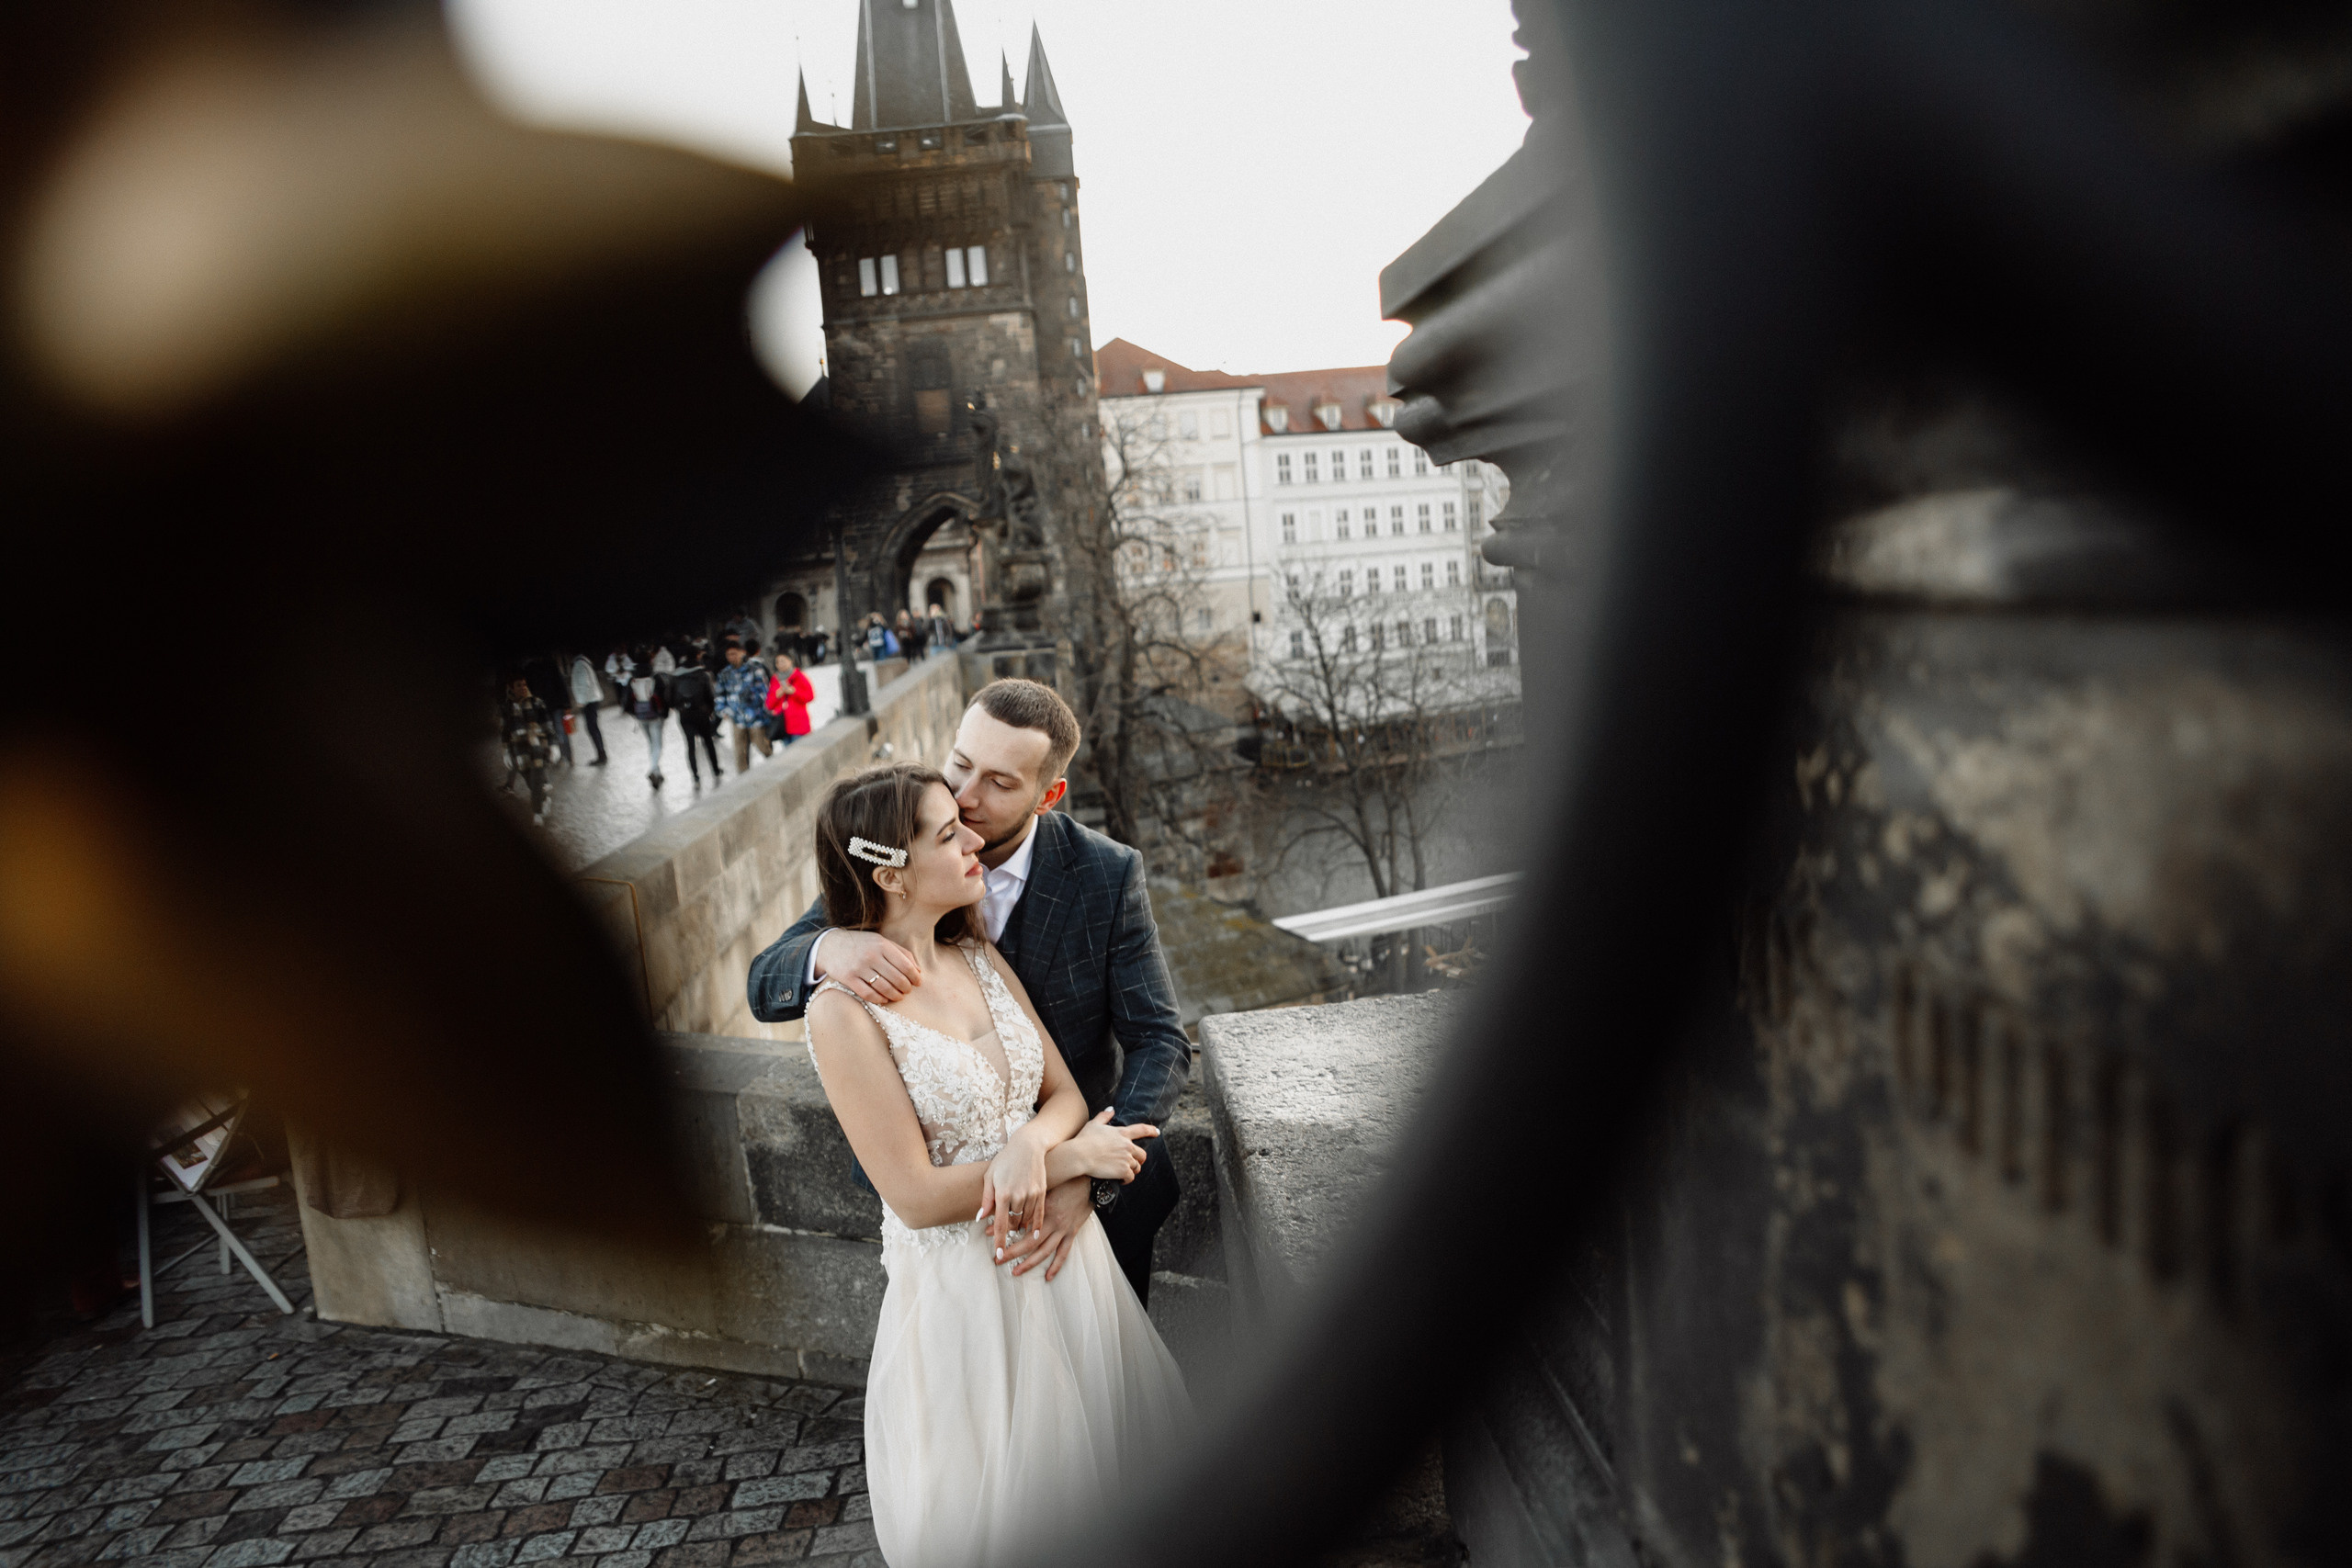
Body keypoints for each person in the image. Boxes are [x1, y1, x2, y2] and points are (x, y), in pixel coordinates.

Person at [796, 762, 1190, 1566]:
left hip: (1065, 1267)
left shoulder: (975, 952)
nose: (976, 839)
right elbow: (911, 1195)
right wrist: (1069, 1158)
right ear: (889, 871)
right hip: (966, 1295)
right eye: (949, 834)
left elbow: (1064, 1094)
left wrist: (1031, 1148)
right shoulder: (842, 1015)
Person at [749, 679, 1192, 1304]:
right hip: (950, 1225)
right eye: (960, 763)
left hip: (1089, 1193)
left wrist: (1087, 1171)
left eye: (1000, 782)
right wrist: (831, 946)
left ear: (1049, 794)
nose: (966, 795)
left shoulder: (1106, 873)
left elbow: (1160, 1040)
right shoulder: (904, 838)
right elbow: (765, 980)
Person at [499, 674, 557, 822]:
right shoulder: (506, 708)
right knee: (531, 782)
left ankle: (537, 812)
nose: (523, 688)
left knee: (536, 779)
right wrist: (506, 750)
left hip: (537, 747)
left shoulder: (537, 703)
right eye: (519, 685)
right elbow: (504, 731)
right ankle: (544, 800)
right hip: (518, 750)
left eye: (524, 684)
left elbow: (547, 724)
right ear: (511, 688)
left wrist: (553, 744)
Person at [714, 640, 773, 774]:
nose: (731, 657)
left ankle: (774, 769)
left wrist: (761, 707)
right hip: (737, 720)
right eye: (728, 654)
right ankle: (744, 779)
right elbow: (719, 695)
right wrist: (723, 711)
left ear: (742, 652)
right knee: (740, 753)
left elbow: (764, 691)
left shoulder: (754, 668)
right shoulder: (724, 674)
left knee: (763, 746)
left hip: (756, 718)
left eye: (734, 653)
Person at [665, 658, 721, 786]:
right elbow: (710, 695)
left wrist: (679, 707)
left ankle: (695, 775)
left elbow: (669, 697)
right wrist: (710, 710)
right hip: (701, 713)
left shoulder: (675, 676)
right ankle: (716, 770)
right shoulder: (702, 674)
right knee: (708, 742)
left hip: (685, 715)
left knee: (690, 746)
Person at [520, 655, 574, 765]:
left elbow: (561, 684)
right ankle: (555, 756)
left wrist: (566, 704)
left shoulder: (550, 664)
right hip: (541, 708)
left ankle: (568, 756)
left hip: (556, 705)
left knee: (561, 731)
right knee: (547, 733)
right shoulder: (529, 668)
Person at [625, 665, 669, 788]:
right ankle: (653, 769)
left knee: (651, 744)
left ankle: (657, 773)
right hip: (655, 716)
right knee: (657, 745)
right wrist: (664, 714)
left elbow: (627, 701)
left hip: (641, 716)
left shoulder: (632, 679)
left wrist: (635, 713)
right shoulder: (655, 677)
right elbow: (665, 696)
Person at [567, 652, 608, 765]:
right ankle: (601, 754)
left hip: (588, 701)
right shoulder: (584, 663)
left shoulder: (579, 665)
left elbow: (584, 684)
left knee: (592, 728)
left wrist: (581, 701)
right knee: (593, 728)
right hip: (592, 699)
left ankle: (601, 755)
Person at [766, 652, 814, 746]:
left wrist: (794, 692)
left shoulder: (799, 676)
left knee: (800, 752)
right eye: (778, 662)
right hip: (783, 726)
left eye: (783, 661)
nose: (780, 664)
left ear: (790, 661)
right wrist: (777, 695)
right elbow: (769, 704)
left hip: (799, 724)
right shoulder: (775, 680)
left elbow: (810, 696)